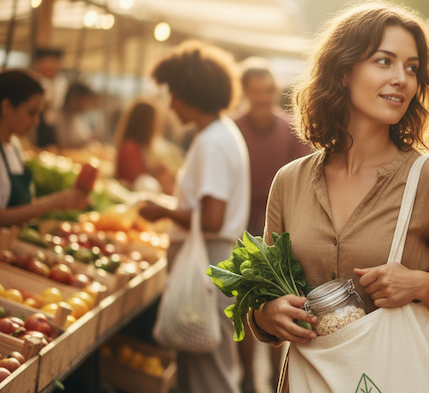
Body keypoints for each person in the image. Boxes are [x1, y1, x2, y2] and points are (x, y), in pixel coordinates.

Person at [247, 3, 429, 392]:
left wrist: (421, 286)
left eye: (412, 67)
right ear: (344, 71)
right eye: (384, 61)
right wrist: (268, 315)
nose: (402, 78)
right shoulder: (290, 182)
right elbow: (261, 295)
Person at [137, 41, 250, 393]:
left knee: (210, 375)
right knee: (196, 368)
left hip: (209, 261)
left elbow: (212, 218)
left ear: (191, 92)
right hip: (211, 259)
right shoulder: (217, 134)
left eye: (173, 95)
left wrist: (161, 209)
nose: (170, 106)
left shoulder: (213, 142)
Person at [233, 59, 309, 393]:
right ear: (245, 92)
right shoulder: (233, 129)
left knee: (286, 308)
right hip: (242, 229)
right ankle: (249, 378)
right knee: (247, 307)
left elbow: (305, 179)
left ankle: (281, 379)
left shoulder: (291, 129)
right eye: (256, 91)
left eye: (268, 90)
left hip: (284, 234)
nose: (263, 97)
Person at [0, 69, 88, 244]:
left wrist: (61, 202)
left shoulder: (14, 145)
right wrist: (52, 203)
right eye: (31, 113)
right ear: (6, 106)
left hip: (8, 247)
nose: (37, 121)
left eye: (39, 113)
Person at [114, 100, 179, 195]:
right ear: (145, 123)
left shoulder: (141, 147)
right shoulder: (130, 148)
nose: (158, 126)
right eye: (155, 121)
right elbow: (136, 181)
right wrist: (157, 175)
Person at [31, 47, 66, 147]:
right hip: (35, 128)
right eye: (50, 65)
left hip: (51, 128)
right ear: (39, 64)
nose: (54, 68)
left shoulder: (60, 84)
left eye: (56, 65)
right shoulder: (33, 83)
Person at [55, 82, 98, 149]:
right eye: (86, 100)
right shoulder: (61, 117)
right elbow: (64, 144)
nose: (88, 104)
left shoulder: (77, 116)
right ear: (75, 98)